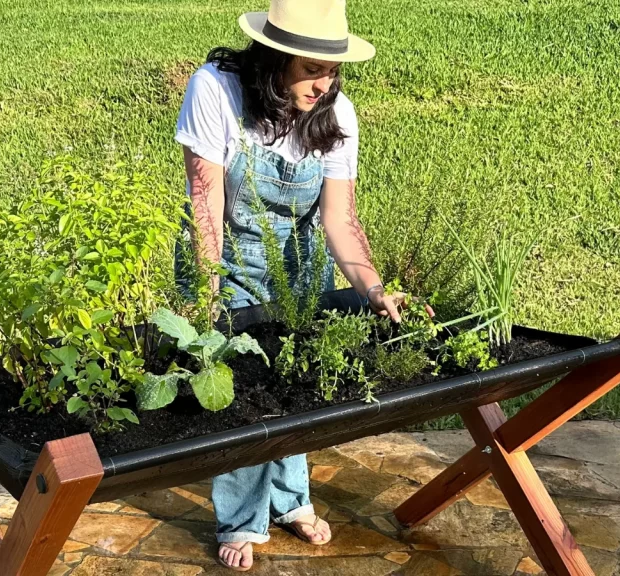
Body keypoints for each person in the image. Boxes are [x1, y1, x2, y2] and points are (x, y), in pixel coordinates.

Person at [174, 0, 405, 570]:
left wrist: (373, 288)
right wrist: (208, 294)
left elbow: (339, 219)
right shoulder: (216, 90)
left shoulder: (338, 113)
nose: (323, 85)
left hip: (299, 268)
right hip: (226, 258)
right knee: (242, 391)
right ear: (274, 58)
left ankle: (289, 500)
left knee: (296, 383)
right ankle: (241, 519)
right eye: (310, 70)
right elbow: (207, 202)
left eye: (332, 72)